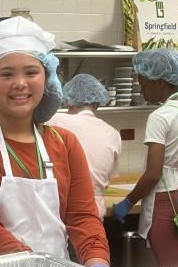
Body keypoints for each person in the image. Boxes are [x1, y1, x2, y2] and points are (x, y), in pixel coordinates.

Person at [0, 17, 128, 267]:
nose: (20, 83)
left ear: (48, 78)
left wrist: (98, 265)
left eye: (31, 71)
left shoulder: (64, 143)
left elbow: (82, 217)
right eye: (6, 74)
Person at [112, 49, 178, 267]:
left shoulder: (160, 116)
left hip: (164, 201)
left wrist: (127, 202)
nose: (142, 91)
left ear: (161, 83)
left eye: (144, 85)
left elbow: (153, 173)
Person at [47, 74, 122, 219]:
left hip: (63, 208)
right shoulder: (113, 133)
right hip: (95, 211)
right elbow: (108, 178)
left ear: (70, 103)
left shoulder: (55, 120)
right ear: (97, 104)